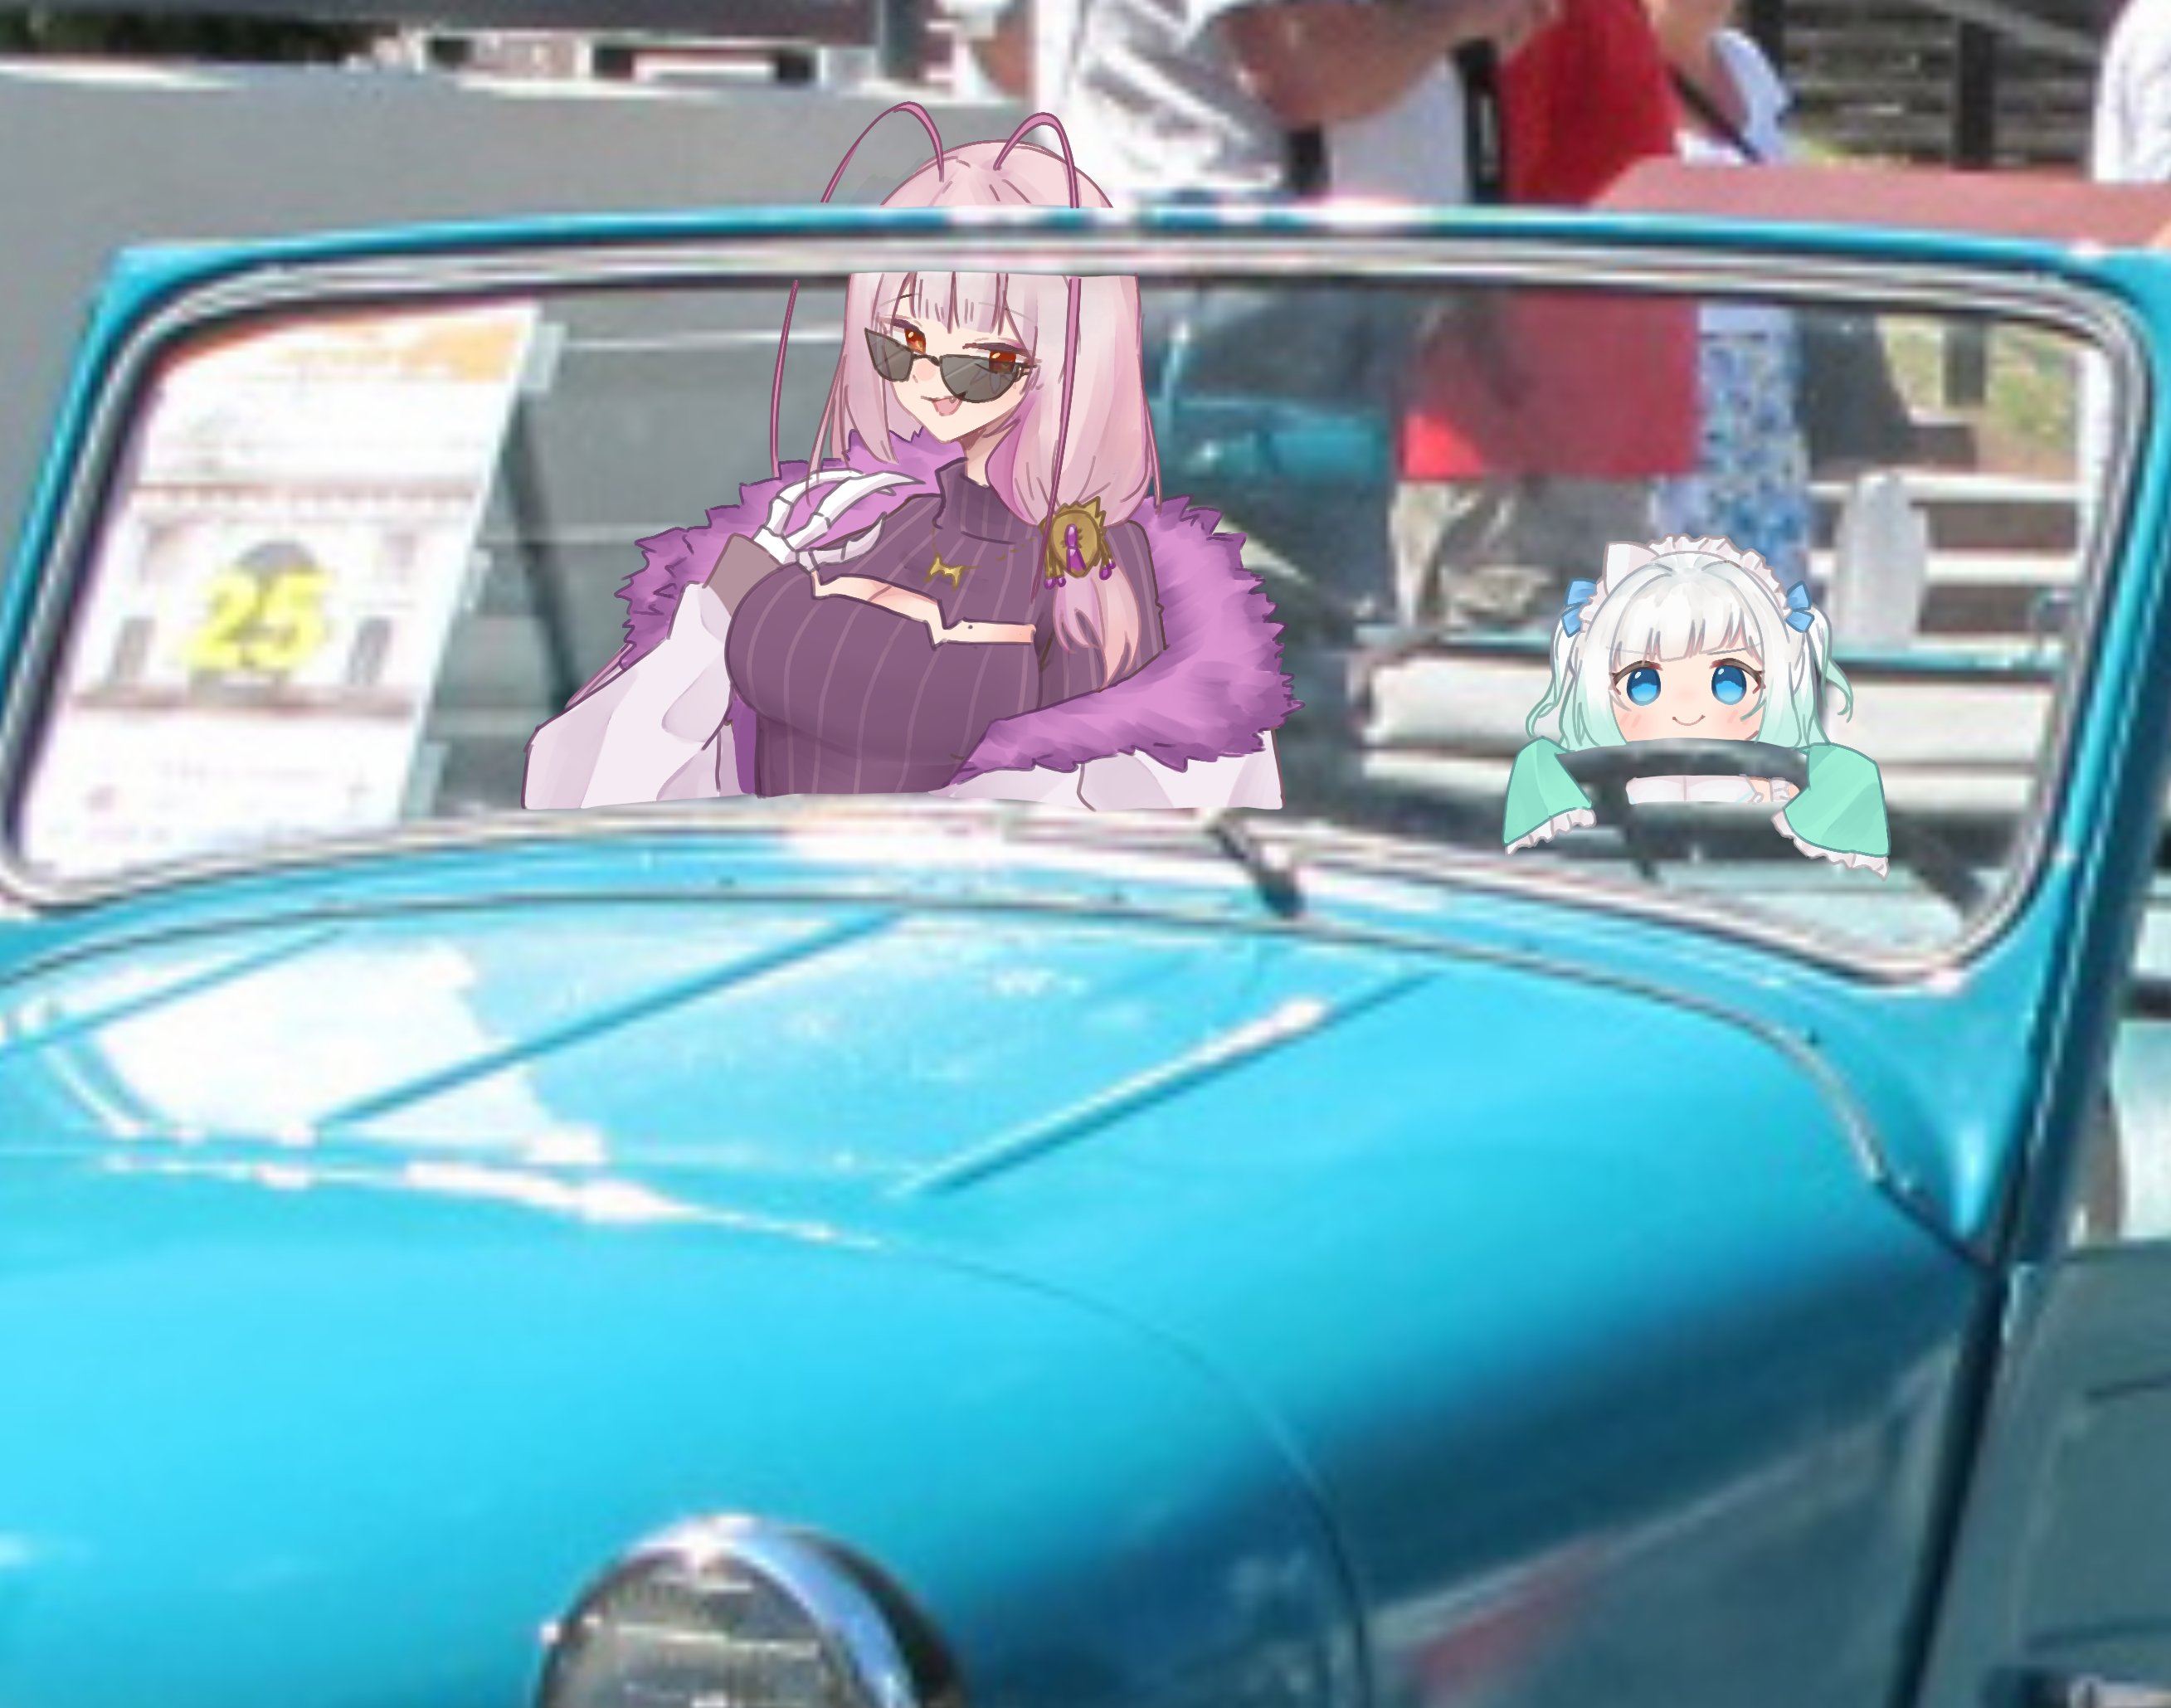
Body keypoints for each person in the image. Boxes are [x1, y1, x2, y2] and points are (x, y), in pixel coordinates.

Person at [523, 108, 1294, 814]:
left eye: (980, 363)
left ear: (1069, 359)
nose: (931, 383)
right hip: (747, 890)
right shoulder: (829, 519)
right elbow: (598, 785)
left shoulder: (1112, 569)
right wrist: (709, 622)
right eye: (901, 347)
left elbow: (1146, 829)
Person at [1390, 0, 1694, 630]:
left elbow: (1473, 188)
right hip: (1564, 425)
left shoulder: (1540, 16)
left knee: (1495, 668)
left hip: (1516, 428)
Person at [1501, 534, 1888, 873]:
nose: (1687, 709)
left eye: (1730, 683)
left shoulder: (1830, 795)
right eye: (1643, 684)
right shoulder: (1552, 790)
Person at [1642, 0, 1814, 582]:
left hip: (1765, 371)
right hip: (1669, 365)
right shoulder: (1619, 67)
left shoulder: (1745, 64)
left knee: (1766, 589)